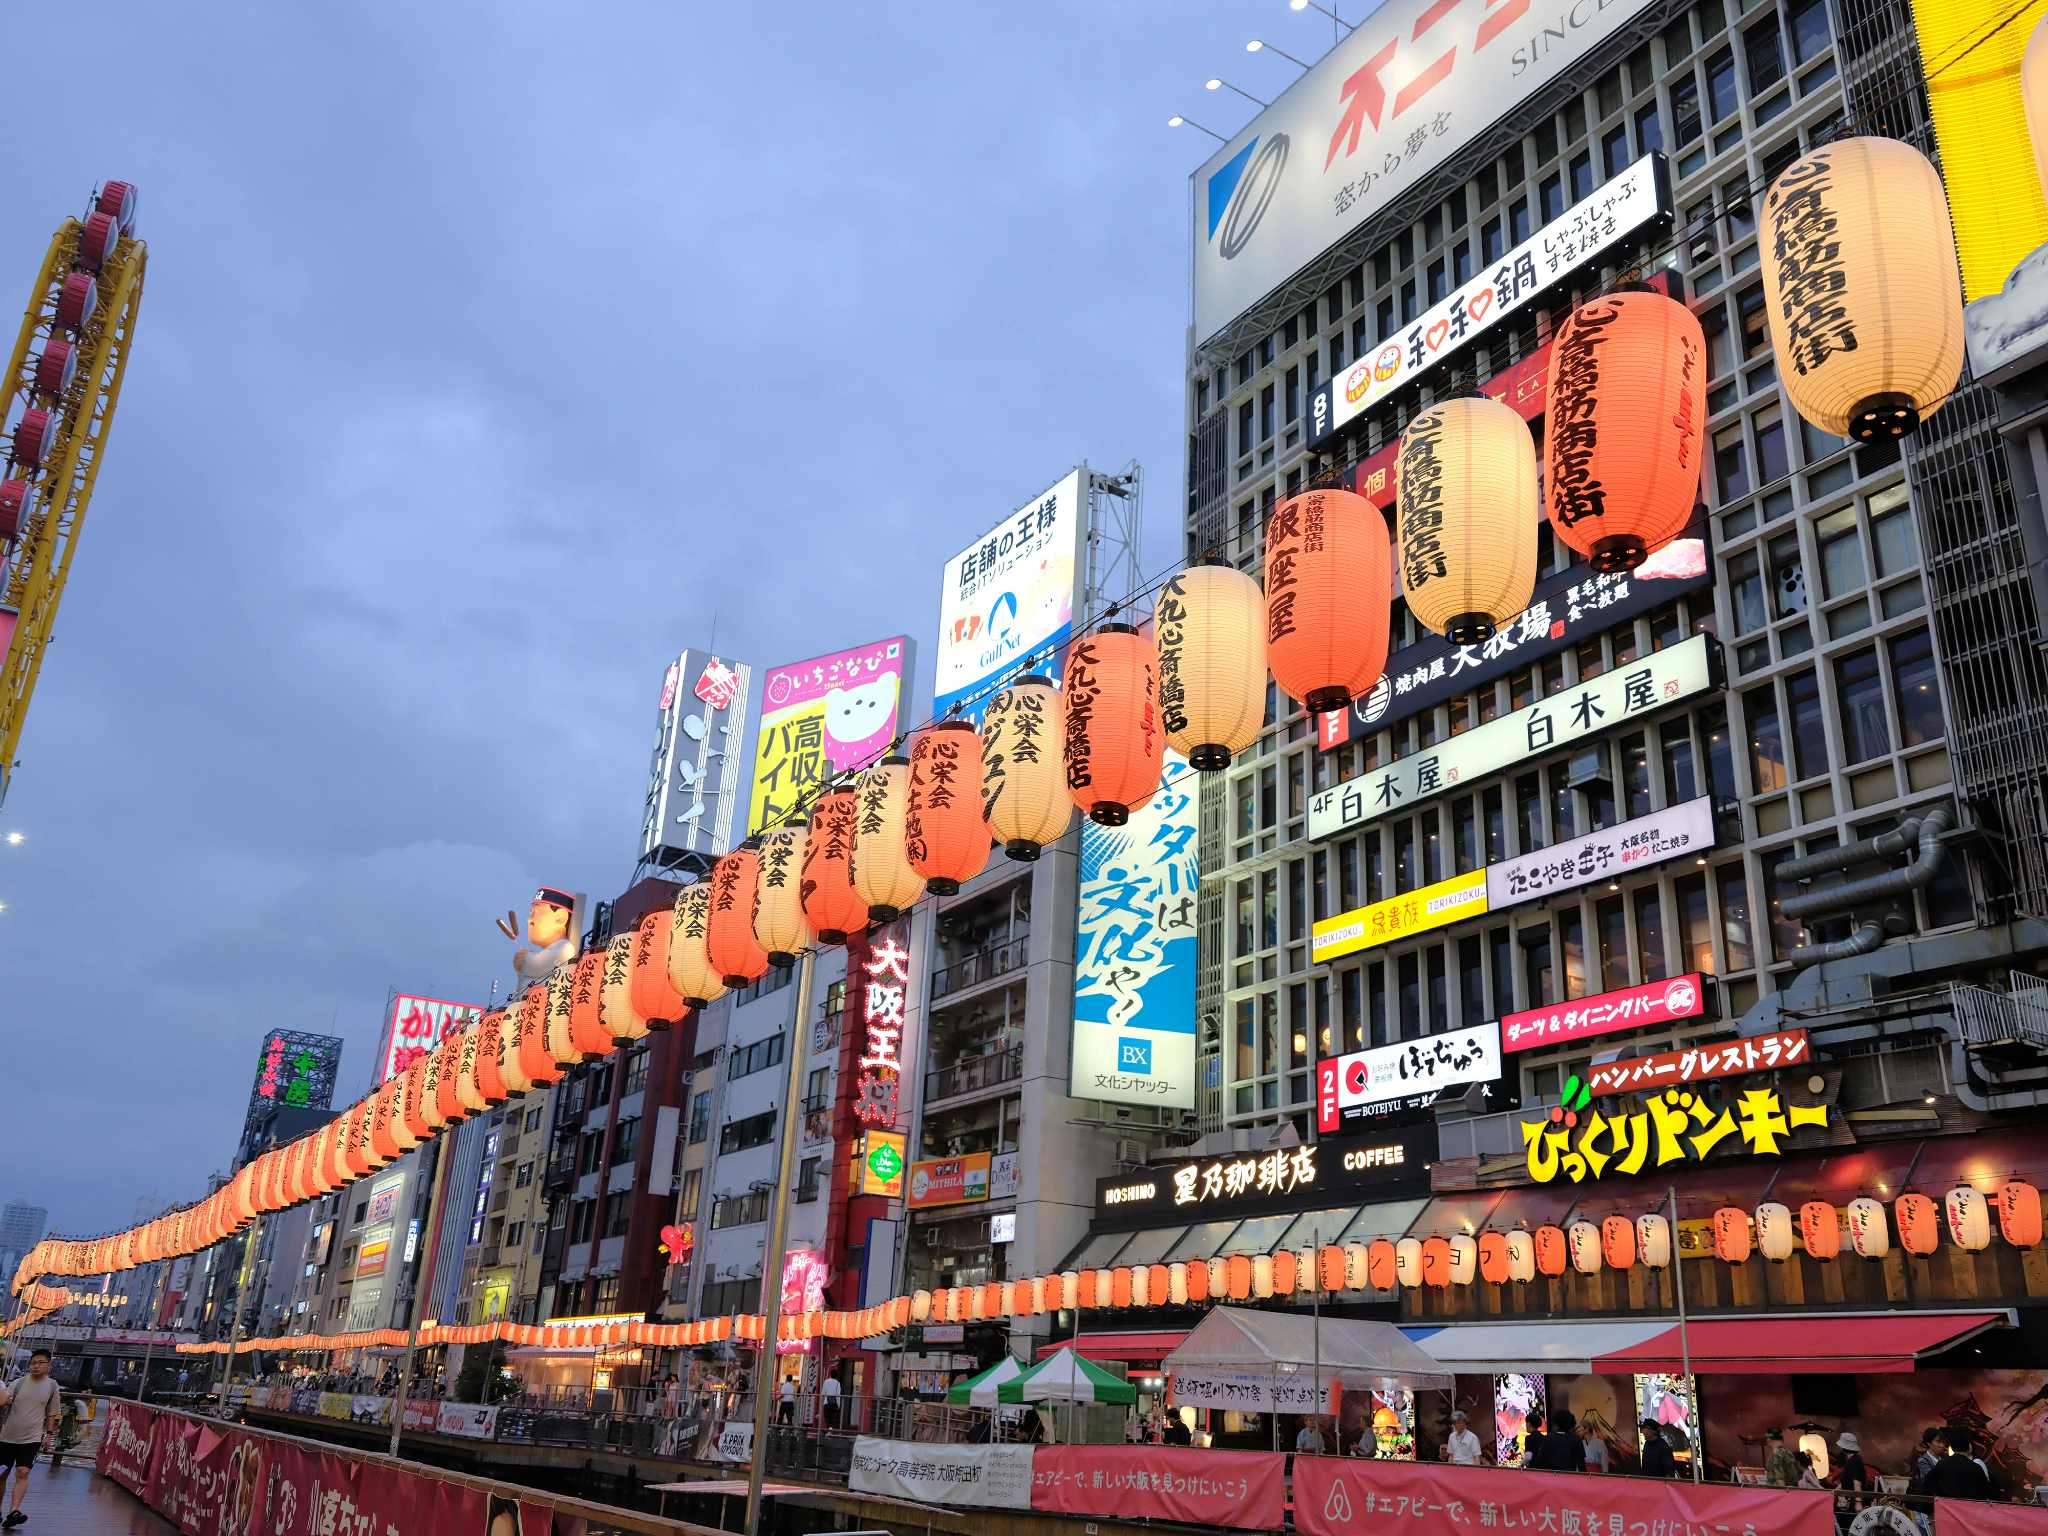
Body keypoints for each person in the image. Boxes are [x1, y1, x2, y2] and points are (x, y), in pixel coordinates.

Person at [0, 1349, 61, 1527]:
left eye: (41, 1362)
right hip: (7, 1436)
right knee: (2, 1474)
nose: (36, 1366)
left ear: (49, 1365)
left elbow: (52, 1414)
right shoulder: (17, 1383)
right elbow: (3, 1401)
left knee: (23, 1472)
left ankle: (14, 1511)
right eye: (33, 1362)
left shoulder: (52, 1386)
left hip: (32, 1438)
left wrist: (49, 1435)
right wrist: (5, 1399)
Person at [1924, 1429, 1994, 1500]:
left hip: (1946, 1507)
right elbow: (1987, 1491)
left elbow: (1928, 1484)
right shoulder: (1975, 1467)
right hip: (1970, 1508)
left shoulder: (1941, 1464)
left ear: (1952, 1448)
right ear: (1969, 1447)